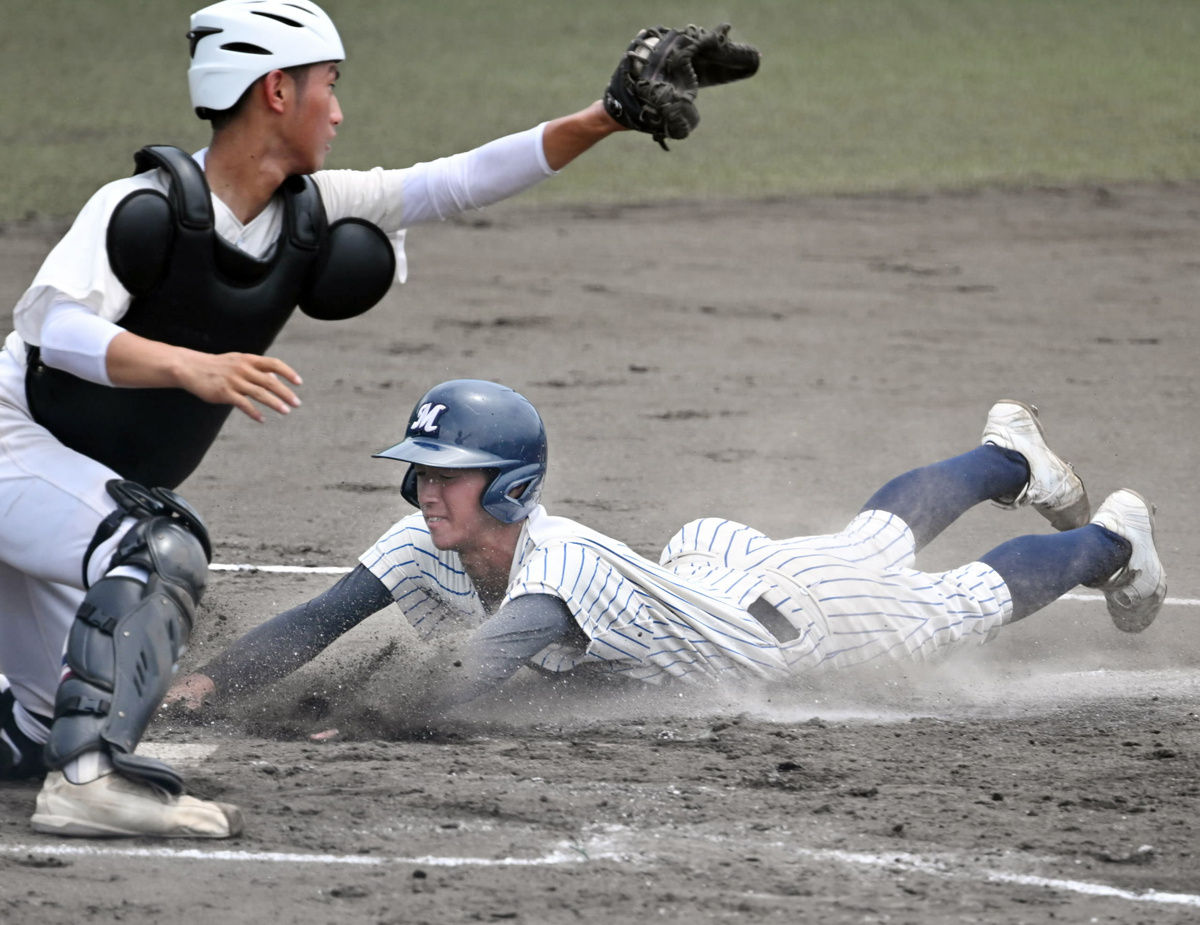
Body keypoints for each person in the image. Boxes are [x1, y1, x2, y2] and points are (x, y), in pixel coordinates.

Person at [0, 2, 758, 838]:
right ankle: (87, 785)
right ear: (276, 91)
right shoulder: (135, 207)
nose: (340, 108)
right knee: (155, 549)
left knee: (37, 727)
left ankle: (48, 754)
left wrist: (604, 119)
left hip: (65, 490)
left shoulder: (311, 208)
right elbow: (54, 329)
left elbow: (460, 179)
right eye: (329, 85)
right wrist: (191, 366)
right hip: (15, 449)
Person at [169, 380, 1167, 720]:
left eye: (451, 471)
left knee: (945, 602)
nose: (429, 487)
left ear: (508, 486)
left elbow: (465, 671)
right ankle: (1004, 455)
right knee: (871, 539)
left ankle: (1111, 532)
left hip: (796, 626)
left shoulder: (552, 574)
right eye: (424, 468)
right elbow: (320, 617)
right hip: (711, 580)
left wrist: (345, 718)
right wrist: (209, 684)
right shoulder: (428, 535)